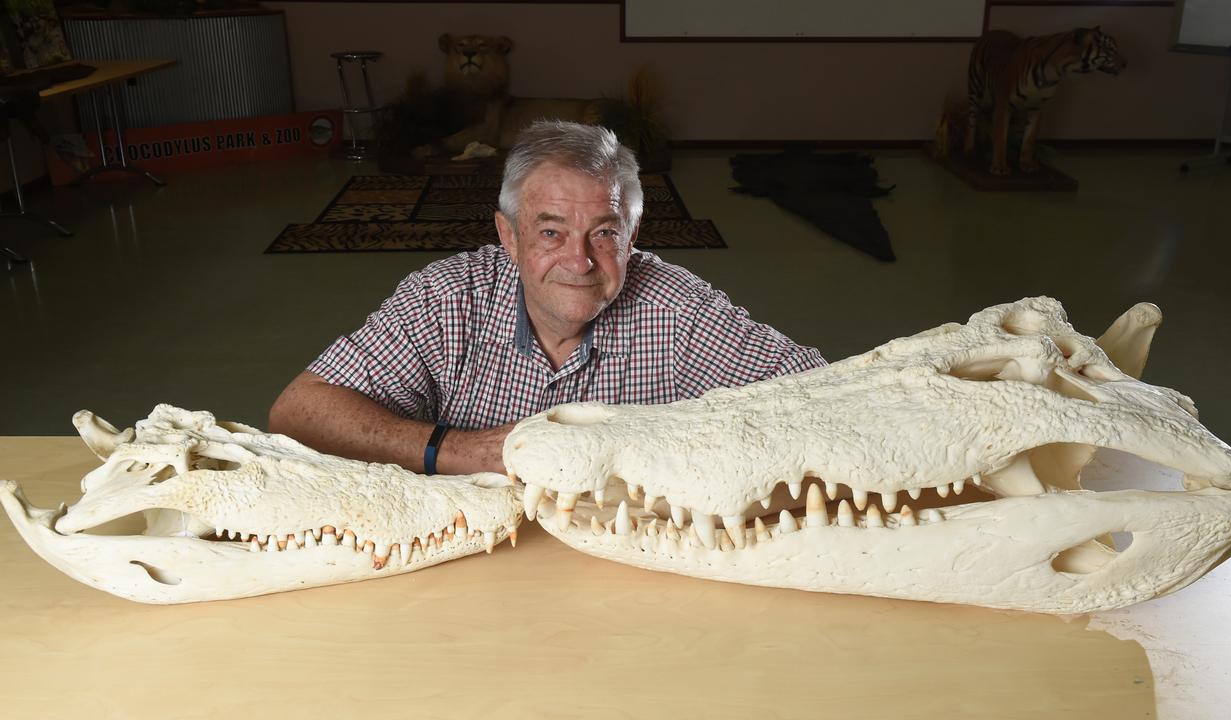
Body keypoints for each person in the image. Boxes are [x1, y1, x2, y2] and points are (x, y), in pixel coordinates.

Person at [268, 121, 826, 475]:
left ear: (633, 237)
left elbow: (823, 400)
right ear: (508, 237)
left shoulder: (679, 309)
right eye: (551, 233)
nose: (580, 262)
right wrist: (463, 451)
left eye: (605, 234)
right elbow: (299, 411)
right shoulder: (446, 296)